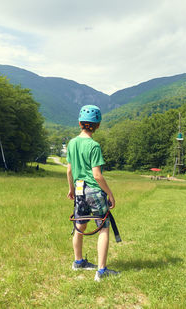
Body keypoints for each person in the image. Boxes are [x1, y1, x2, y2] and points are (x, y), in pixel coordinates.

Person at [66, 105, 119, 282]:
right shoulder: (94, 146)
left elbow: (69, 170)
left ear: (80, 123)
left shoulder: (72, 143)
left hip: (79, 189)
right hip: (94, 191)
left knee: (79, 225)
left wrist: (71, 189)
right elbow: (97, 175)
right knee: (103, 227)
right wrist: (110, 193)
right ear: (97, 125)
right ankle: (101, 272)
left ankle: (78, 262)